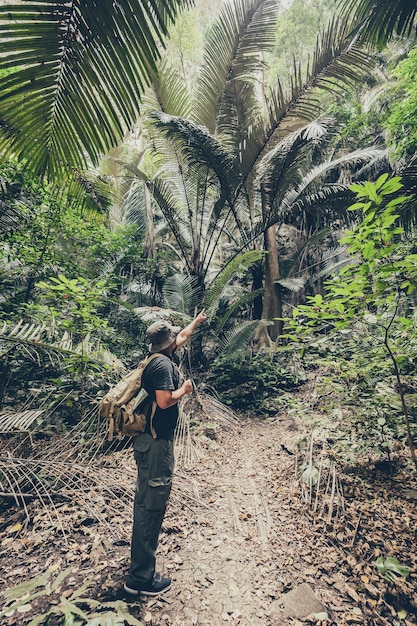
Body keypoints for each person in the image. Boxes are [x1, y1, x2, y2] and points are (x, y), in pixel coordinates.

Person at [124, 309, 207, 597]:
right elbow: (163, 400)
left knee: (148, 502)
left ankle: (140, 569)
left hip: (152, 442)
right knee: (151, 505)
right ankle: (140, 579)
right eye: (174, 336)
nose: (178, 339)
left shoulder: (157, 357)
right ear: (167, 343)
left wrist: (195, 321)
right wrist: (183, 390)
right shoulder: (161, 367)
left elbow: (181, 337)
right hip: (155, 444)